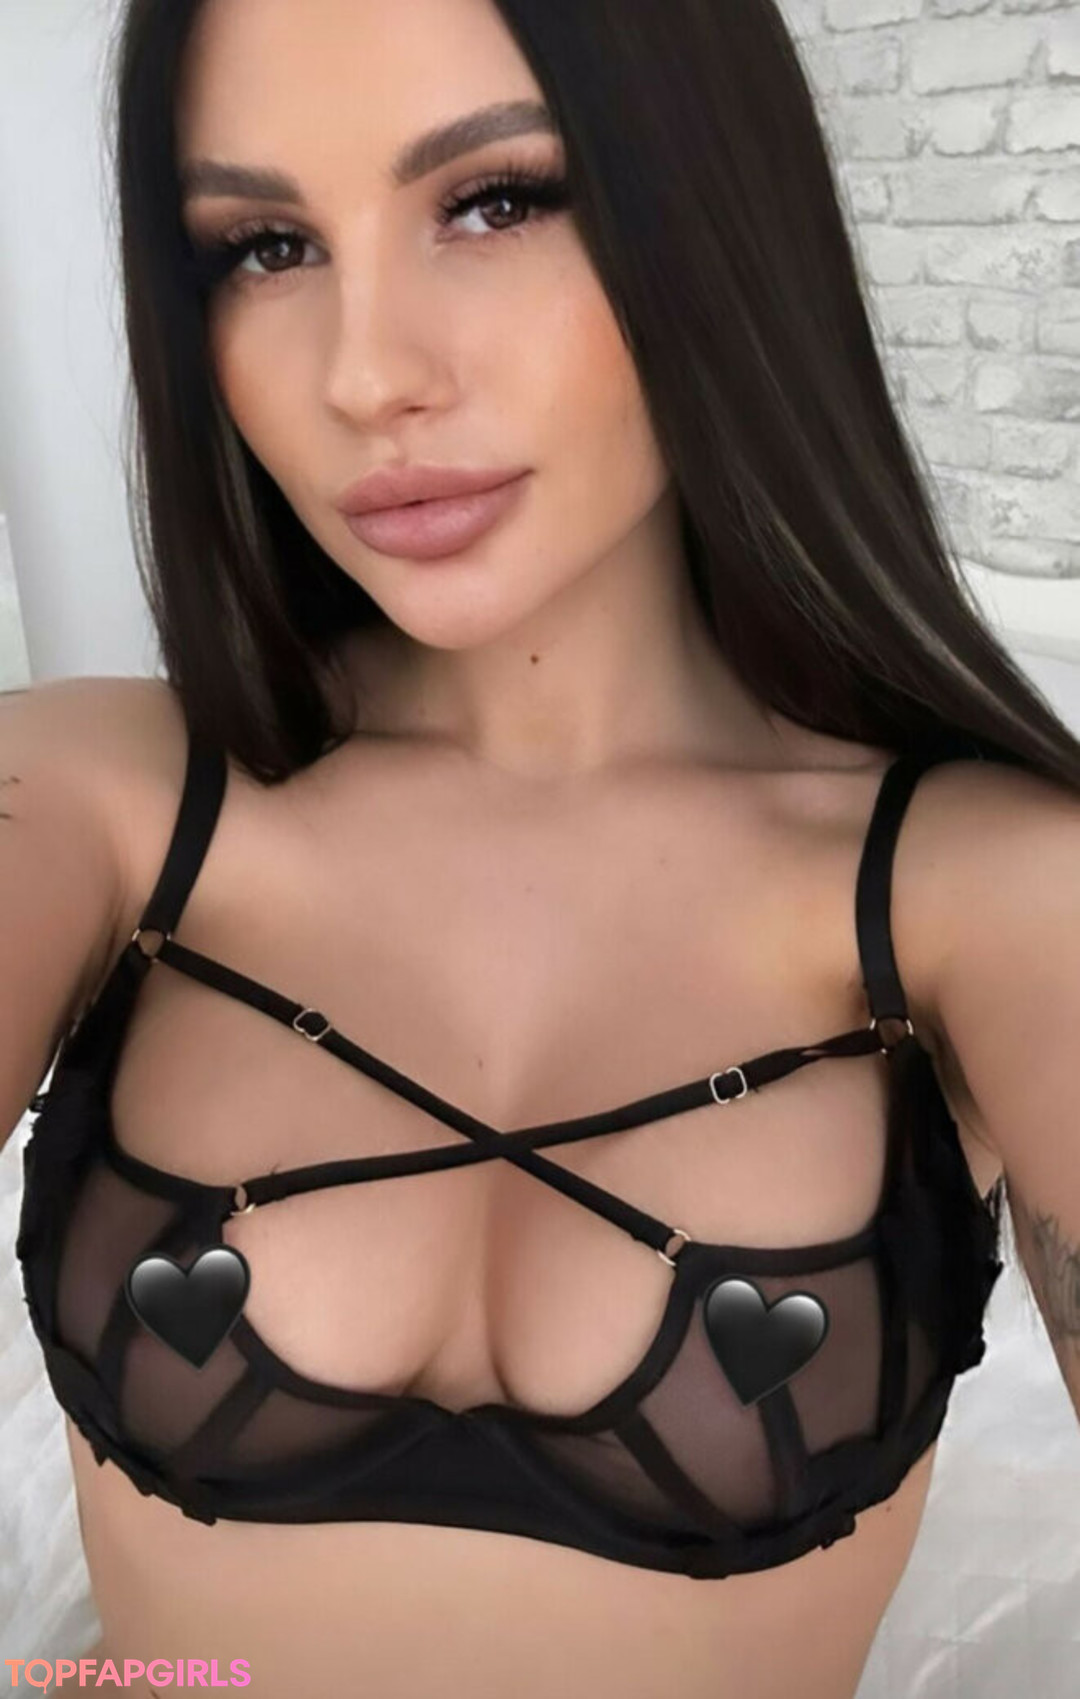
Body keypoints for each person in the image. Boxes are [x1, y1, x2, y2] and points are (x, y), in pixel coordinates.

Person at [4, 1, 1080, 1696]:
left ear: (714, 212)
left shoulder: (990, 897)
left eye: (494, 199)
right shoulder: (94, 796)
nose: (365, 375)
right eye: (266, 246)